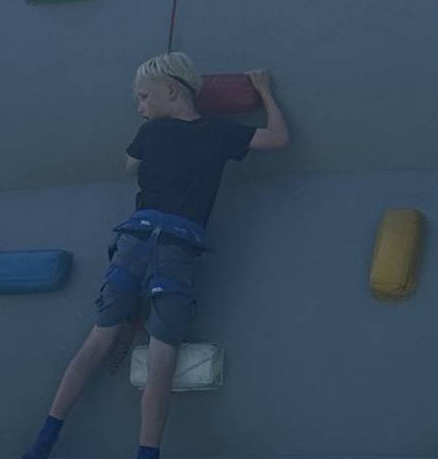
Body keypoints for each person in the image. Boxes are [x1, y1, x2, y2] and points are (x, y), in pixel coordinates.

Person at [20, 52, 288, 459]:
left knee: (96, 343)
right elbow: (278, 137)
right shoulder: (219, 134)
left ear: (171, 91)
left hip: (134, 243)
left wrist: (152, 129)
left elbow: (130, 164)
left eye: (144, 98)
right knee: (161, 362)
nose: (141, 108)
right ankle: (147, 454)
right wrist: (264, 89)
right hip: (176, 250)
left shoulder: (150, 135)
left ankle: (43, 444)